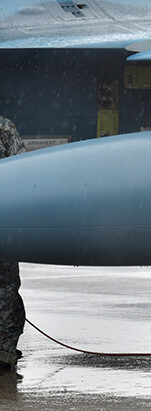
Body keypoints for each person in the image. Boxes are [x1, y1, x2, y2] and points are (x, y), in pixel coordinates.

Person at [0, 115, 27, 372]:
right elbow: (21, 170)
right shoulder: (5, 128)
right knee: (6, 288)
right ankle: (5, 349)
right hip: (4, 222)